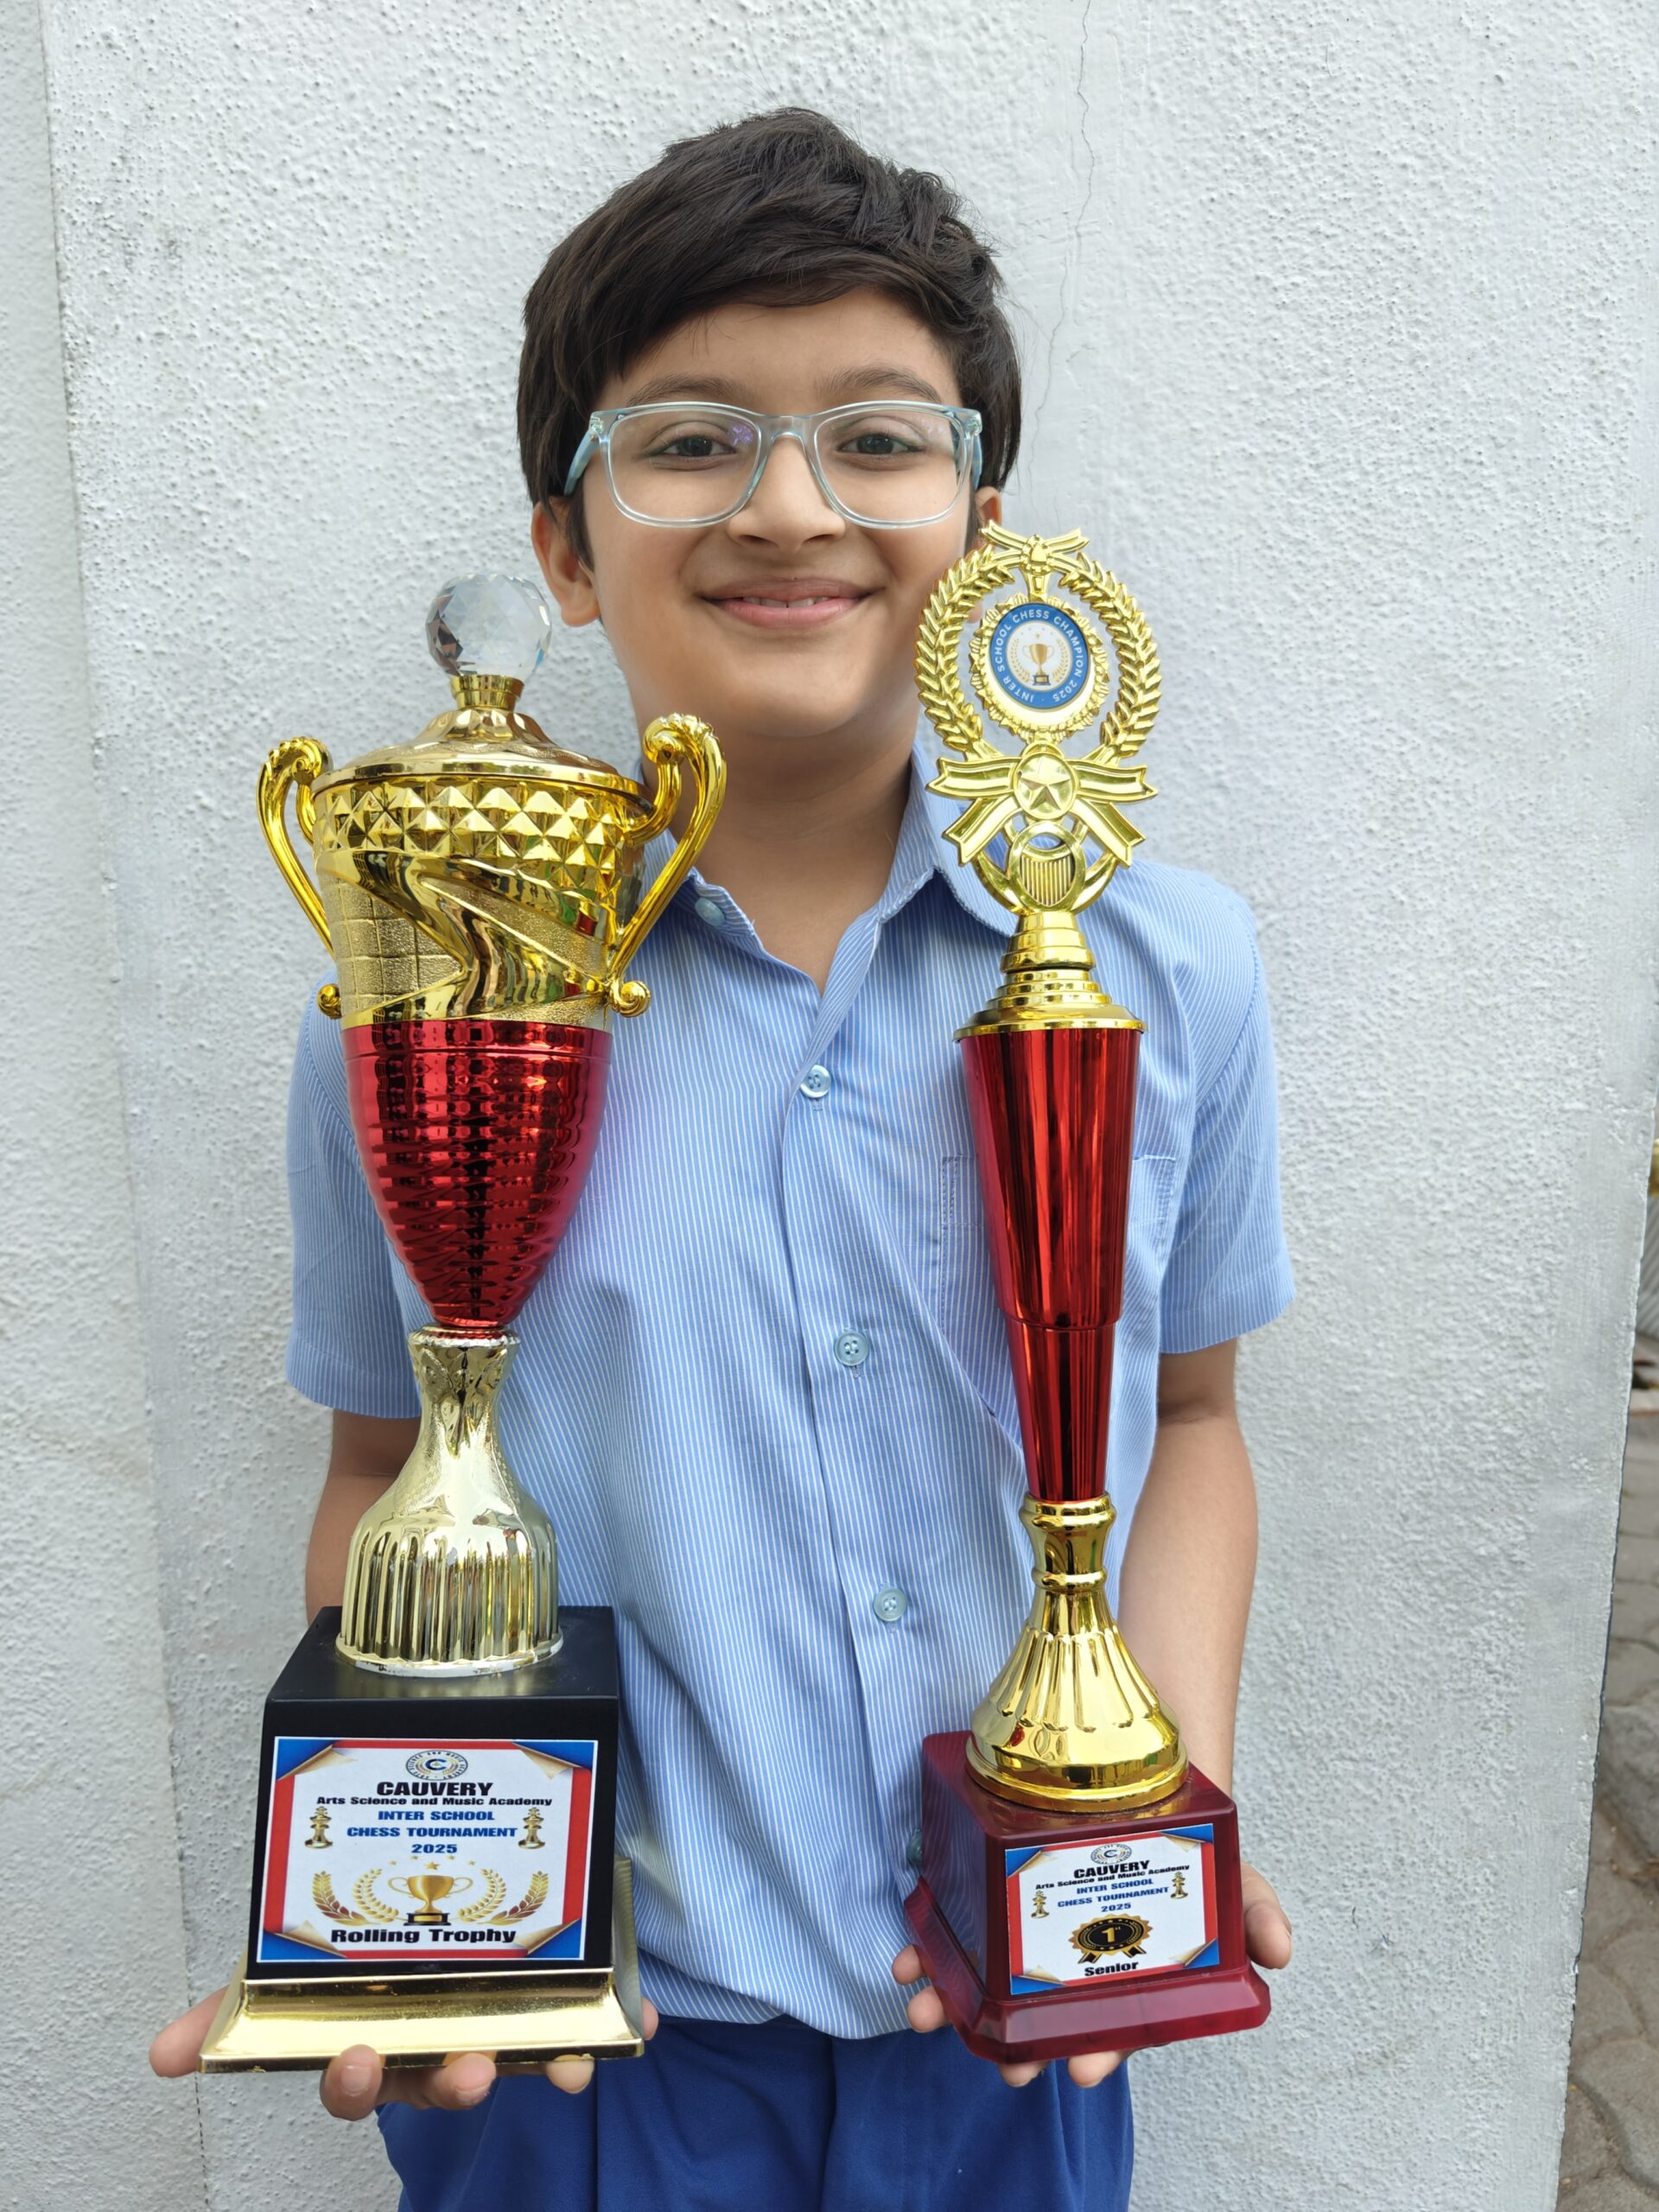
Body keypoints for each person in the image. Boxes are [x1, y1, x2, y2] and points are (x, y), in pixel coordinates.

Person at [153, 107, 1294, 2211]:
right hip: (599, 2062)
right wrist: (412, 1897)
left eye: (879, 436)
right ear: (567, 546)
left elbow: (1201, 1414)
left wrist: (1163, 1789)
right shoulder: (418, 1008)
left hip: (1024, 2024)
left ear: (988, 522)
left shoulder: (1169, 967)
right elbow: (378, 1466)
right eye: (689, 438)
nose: (791, 503)